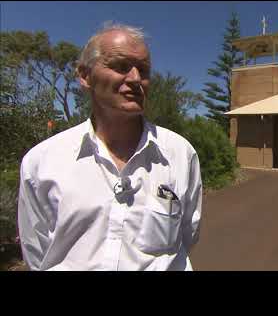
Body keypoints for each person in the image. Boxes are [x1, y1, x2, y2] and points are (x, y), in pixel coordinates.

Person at [17, 23, 202, 271]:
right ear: (85, 76)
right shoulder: (42, 161)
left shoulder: (180, 154)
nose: (136, 78)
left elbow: (187, 234)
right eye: (121, 66)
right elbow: (36, 253)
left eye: (144, 70)